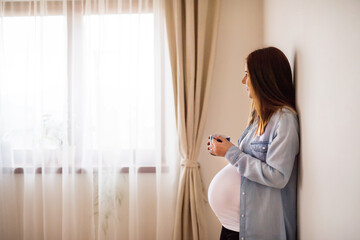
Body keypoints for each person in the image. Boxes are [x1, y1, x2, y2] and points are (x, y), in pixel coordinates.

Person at [207, 47, 299, 240]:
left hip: (255, 228)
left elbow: (278, 176)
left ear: (263, 77)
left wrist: (231, 152)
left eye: (247, 74)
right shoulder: (260, 119)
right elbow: (248, 164)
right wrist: (225, 150)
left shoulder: (285, 120)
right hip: (235, 225)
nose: (243, 81)